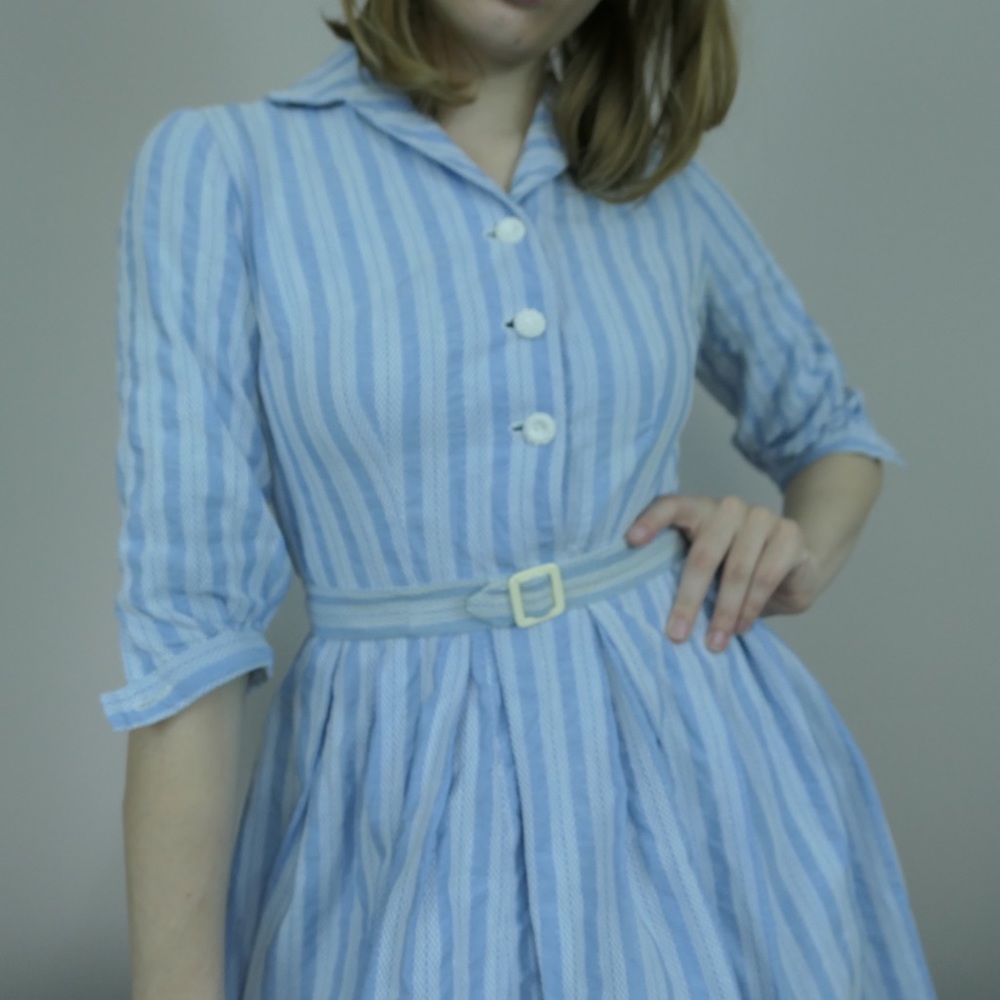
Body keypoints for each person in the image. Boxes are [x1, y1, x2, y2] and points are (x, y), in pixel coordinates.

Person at [99, 0, 938, 997]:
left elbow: (832, 433)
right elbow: (189, 635)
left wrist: (791, 550)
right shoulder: (225, 169)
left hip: (701, 800)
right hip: (394, 820)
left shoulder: (656, 186)